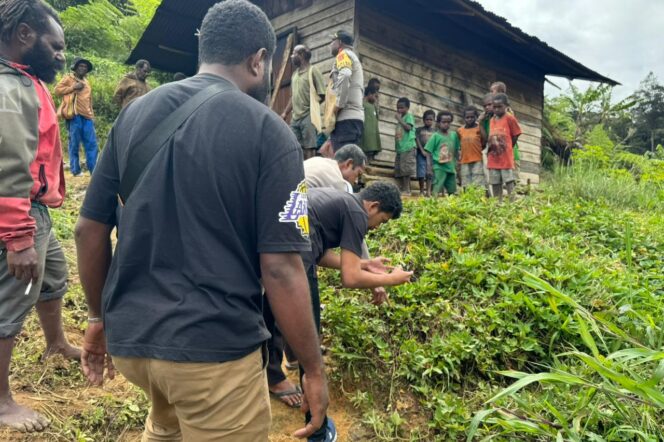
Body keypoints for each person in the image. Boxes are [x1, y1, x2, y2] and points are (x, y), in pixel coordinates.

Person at [74, 1, 328, 441]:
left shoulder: (134, 115)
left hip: (135, 345)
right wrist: (313, 368)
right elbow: (283, 268)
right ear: (259, 59)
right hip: (212, 356)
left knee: (166, 425)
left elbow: (87, 230)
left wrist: (98, 318)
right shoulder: (271, 133)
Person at [0, 0, 81, 433]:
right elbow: (9, 166)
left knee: (52, 277)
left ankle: (56, 343)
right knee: (11, 301)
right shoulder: (9, 90)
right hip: (18, 215)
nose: (61, 55)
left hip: (39, 213)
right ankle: (1, 400)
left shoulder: (27, 81)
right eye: (56, 45)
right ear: (25, 36)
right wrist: (17, 238)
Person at [302, 182, 413, 441]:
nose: (375, 228)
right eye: (382, 221)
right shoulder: (356, 213)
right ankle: (317, 433)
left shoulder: (339, 199)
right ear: (373, 207)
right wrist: (391, 279)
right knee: (308, 344)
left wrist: (364, 263)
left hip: (276, 257)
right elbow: (349, 279)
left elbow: (319, 254)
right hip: (295, 264)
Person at [265, 144, 368, 409]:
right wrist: (365, 266)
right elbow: (353, 228)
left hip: (275, 221)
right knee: (286, 303)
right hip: (290, 233)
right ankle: (277, 375)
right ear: (347, 165)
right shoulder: (338, 184)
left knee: (275, 301)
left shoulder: (318, 164)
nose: (356, 180)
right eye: (357, 173)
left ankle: (290, 357)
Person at [54, 57, 98, 176]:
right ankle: (75, 170)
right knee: (74, 143)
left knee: (92, 143)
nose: (83, 68)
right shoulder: (69, 78)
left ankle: (94, 170)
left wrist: (92, 115)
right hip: (74, 116)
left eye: (85, 67)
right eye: (81, 66)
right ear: (75, 67)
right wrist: (73, 87)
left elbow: (89, 100)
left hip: (87, 117)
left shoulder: (87, 82)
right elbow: (57, 90)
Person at [280, 44, 326, 160]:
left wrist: (312, 108)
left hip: (308, 115)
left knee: (310, 147)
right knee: (294, 146)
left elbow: (322, 94)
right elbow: (293, 97)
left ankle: (310, 174)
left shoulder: (313, 71)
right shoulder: (294, 75)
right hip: (295, 118)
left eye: (294, 53)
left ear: (301, 55)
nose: (291, 57)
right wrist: (285, 113)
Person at [327, 30, 364, 152]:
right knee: (350, 163)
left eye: (332, 41)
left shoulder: (343, 55)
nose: (330, 45)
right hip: (353, 119)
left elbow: (346, 74)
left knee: (343, 164)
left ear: (340, 42)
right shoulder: (352, 57)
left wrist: (338, 105)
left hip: (345, 119)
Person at [487, 93, 522, 202]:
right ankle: (498, 203)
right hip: (493, 157)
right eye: (494, 107)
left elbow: (516, 134)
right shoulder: (492, 120)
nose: (496, 109)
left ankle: (512, 202)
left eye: (499, 106)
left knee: (509, 181)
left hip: (505, 157)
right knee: (495, 181)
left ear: (506, 106)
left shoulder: (509, 118)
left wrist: (509, 146)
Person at [425, 110, 460, 197]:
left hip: (451, 167)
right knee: (436, 188)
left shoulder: (454, 135)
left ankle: (452, 207)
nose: (446, 124)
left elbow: (456, 150)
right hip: (439, 167)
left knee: (452, 190)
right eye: (443, 122)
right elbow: (428, 152)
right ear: (438, 123)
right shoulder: (435, 136)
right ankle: (433, 205)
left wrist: (458, 162)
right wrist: (429, 168)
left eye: (448, 122)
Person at [490, 81, 520, 179]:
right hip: (497, 146)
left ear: (501, 92)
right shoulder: (493, 114)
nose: (491, 94)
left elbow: (515, 133)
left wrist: (509, 146)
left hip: (507, 145)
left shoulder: (508, 113)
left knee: (510, 176)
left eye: (492, 91)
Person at [457, 107, 486, 189]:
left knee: (478, 182)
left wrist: (480, 124)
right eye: (467, 117)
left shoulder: (478, 128)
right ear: (464, 118)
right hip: (464, 160)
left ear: (476, 117)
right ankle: (468, 200)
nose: (469, 119)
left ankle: (479, 199)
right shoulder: (460, 130)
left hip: (477, 159)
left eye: (472, 117)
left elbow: (485, 140)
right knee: (466, 183)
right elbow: (460, 143)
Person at [394, 97, 417, 195]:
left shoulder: (409, 116)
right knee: (401, 169)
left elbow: (408, 128)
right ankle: (404, 188)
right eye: (398, 108)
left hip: (408, 147)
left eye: (402, 108)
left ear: (407, 108)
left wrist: (399, 119)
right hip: (401, 148)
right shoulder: (402, 118)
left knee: (406, 169)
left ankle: (407, 190)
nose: (399, 110)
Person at [415, 110, 436, 196]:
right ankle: (421, 191)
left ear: (433, 120)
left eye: (431, 120)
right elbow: (417, 140)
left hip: (431, 154)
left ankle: (428, 191)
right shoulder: (419, 130)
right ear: (423, 120)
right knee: (421, 172)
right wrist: (422, 150)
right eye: (427, 119)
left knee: (430, 173)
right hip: (421, 154)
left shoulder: (435, 131)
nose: (429, 121)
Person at [359, 85, 381, 161]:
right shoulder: (362, 104)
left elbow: (377, 117)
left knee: (371, 155)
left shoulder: (373, 106)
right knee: (364, 154)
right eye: (375, 96)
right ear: (369, 94)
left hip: (373, 136)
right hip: (366, 134)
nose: (376, 99)